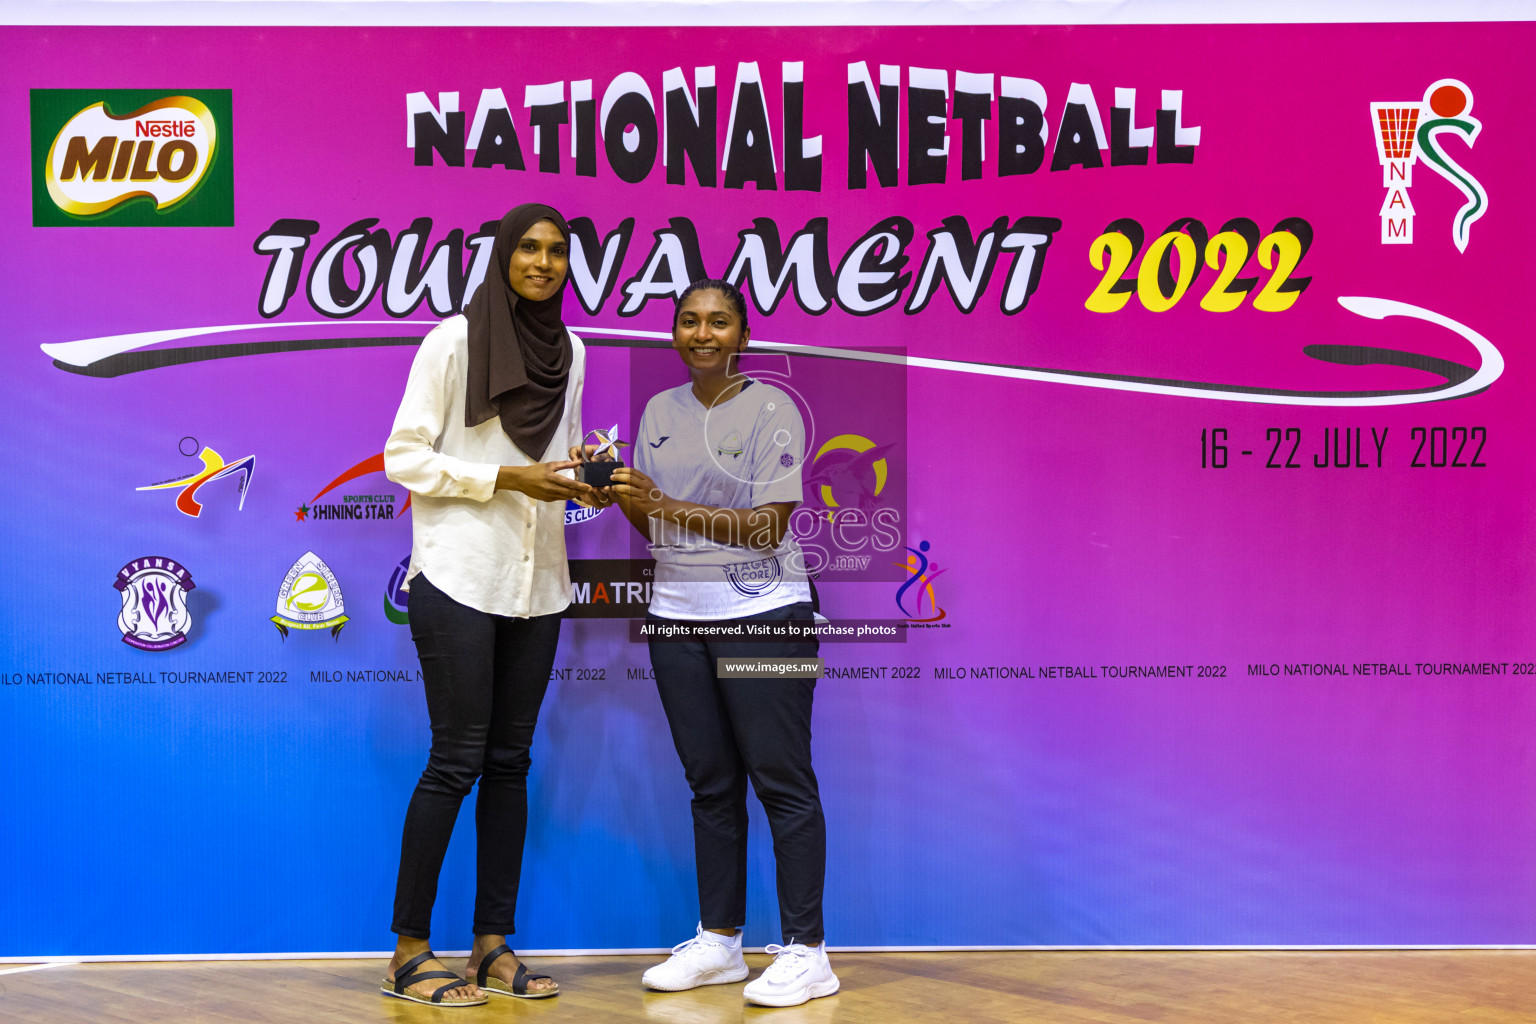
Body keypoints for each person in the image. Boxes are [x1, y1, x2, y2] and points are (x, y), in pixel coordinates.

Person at [380, 203, 602, 1007]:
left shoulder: (570, 349)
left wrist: (585, 470)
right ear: (504, 255)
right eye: (529, 249)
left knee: (511, 764)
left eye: (557, 252)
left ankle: (491, 945)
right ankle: (409, 951)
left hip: (538, 581)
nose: (543, 262)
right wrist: (505, 479)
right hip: (459, 576)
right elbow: (404, 456)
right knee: (456, 761)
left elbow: (559, 452)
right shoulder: (453, 341)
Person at [610, 279, 838, 1007]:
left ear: (742, 335)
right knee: (710, 785)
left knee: (781, 781)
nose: (701, 333)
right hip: (677, 615)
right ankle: (721, 944)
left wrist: (667, 505)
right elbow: (653, 531)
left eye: (718, 322)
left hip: (764, 612)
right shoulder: (657, 412)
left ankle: (808, 953)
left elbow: (770, 526)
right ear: (674, 334)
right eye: (688, 321)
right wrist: (623, 495)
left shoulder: (772, 408)